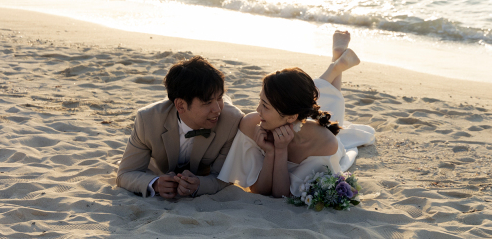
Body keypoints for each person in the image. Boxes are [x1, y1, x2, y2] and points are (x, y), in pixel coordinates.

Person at [218, 30, 375, 197]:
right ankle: (335, 66)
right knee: (304, 95)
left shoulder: (324, 142)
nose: (257, 110)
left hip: (323, 137)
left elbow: (281, 194)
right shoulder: (252, 124)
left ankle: (336, 65)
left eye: (265, 106)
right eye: (260, 101)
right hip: (298, 116)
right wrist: (270, 153)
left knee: (334, 110)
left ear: (292, 117)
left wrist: (281, 149)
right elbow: (259, 190)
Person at [116, 56, 244, 198]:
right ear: (180, 105)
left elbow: (225, 177)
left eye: (220, 98)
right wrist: (155, 183)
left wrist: (200, 185)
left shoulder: (231, 121)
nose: (217, 109)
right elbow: (125, 173)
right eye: (207, 102)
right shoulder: (147, 120)